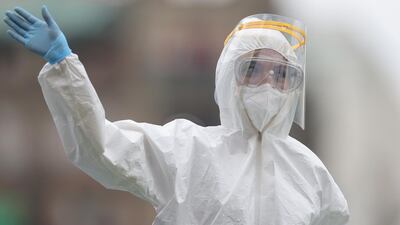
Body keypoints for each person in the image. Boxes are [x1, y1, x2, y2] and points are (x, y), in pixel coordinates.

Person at [4, 6, 350, 225]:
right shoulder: (187, 150)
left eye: (283, 74)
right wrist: (64, 66)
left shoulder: (310, 173)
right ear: (229, 74)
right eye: (253, 68)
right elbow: (100, 146)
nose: (268, 84)